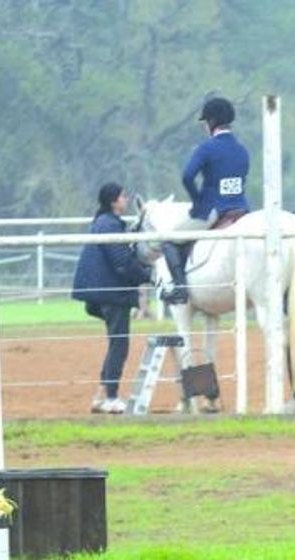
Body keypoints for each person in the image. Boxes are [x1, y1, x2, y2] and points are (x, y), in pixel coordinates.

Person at [72, 183, 152, 413]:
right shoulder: (110, 225)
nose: (126, 199)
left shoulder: (104, 223)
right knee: (119, 344)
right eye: (123, 196)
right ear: (113, 201)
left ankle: (102, 395)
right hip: (112, 293)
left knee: (115, 343)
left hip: (101, 293)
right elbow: (122, 263)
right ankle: (112, 397)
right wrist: (148, 276)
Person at [161, 97, 250, 304]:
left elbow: (187, 176)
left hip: (214, 210)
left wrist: (197, 200)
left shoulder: (207, 148)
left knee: (169, 240)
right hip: (242, 209)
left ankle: (180, 289)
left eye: (205, 123)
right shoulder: (242, 150)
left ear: (211, 122)